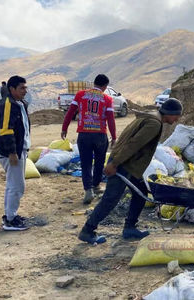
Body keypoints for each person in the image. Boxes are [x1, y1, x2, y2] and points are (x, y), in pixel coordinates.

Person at [78, 98, 182, 244]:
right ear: (170, 113)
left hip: (128, 165)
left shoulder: (152, 116)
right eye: (177, 115)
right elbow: (133, 144)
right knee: (110, 199)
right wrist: (115, 163)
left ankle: (130, 228)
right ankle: (87, 230)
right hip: (123, 164)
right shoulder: (154, 123)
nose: (177, 119)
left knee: (141, 194)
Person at [61, 74, 117, 204]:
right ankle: (96, 186)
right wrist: (114, 136)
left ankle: (88, 190)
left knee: (86, 163)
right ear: (105, 86)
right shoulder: (107, 98)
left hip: (84, 134)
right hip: (100, 135)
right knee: (99, 161)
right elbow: (111, 119)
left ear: (94, 83)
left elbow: (70, 112)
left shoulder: (80, 95)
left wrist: (64, 128)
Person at [0, 76, 30, 231]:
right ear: (12, 89)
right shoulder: (8, 104)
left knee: (13, 185)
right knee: (17, 186)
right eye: (22, 88)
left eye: (25, 88)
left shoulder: (19, 103)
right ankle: (10, 220)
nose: (25, 91)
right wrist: (12, 152)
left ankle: (10, 215)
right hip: (12, 152)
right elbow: (6, 130)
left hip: (19, 150)